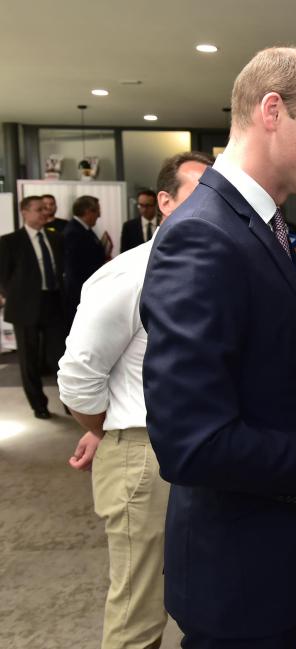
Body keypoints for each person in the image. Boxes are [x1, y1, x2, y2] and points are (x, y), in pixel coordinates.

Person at [139, 47, 296, 649]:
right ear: (272, 111)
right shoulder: (204, 234)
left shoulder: (257, 224)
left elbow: (259, 377)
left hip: (269, 565)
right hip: (239, 577)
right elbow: (190, 444)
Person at [58, 151, 212, 649]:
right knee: (140, 610)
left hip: (204, 451)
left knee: (199, 592)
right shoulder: (131, 274)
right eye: (199, 195)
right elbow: (78, 377)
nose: (212, 208)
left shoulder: (213, 268)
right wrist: (110, 428)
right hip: (143, 456)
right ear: (165, 202)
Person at [0, 195, 65, 418]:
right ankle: (39, 405)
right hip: (25, 307)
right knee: (29, 359)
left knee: (61, 355)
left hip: (53, 302)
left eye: (45, 209)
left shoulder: (54, 238)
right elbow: (3, 276)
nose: (44, 213)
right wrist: (14, 296)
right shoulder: (10, 241)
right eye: (38, 209)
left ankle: (70, 403)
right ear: (24, 212)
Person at [63, 195, 107, 326]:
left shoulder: (83, 230)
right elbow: (73, 269)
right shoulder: (73, 232)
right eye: (97, 211)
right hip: (80, 293)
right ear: (88, 211)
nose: (99, 215)